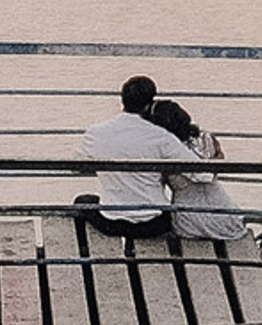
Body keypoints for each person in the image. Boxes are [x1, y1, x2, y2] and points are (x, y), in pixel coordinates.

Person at [73, 74, 194, 238]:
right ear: (149, 104)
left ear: (122, 100)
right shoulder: (161, 136)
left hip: (112, 221)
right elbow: (201, 172)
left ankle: (83, 252)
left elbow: (76, 165)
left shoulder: (96, 133)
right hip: (154, 223)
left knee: (82, 201)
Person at [149, 97, 251, 242]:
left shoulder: (163, 150)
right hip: (224, 214)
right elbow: (216, 165)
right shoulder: (206, 138)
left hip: (188, 220)